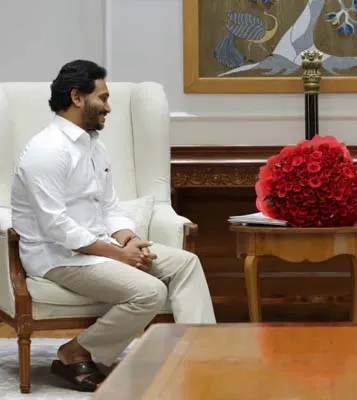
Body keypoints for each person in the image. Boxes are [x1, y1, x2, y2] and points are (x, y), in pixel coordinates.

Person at [11, 60, 216, 392]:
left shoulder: (94, 145)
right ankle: (75, 351)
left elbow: (108, 206)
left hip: (100, 248)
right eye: (102, 98)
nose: (108, 107)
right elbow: (56, 228)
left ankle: (204, 355)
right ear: (77, 97)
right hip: (57, 258)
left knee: (185, 263)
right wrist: (118, 254)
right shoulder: (46, 151)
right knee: (150, 292)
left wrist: (128, 238)